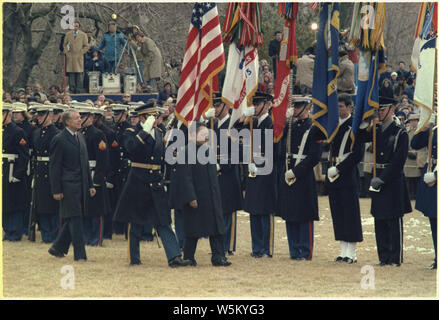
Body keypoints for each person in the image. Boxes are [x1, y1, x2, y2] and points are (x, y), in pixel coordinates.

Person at [113, 101, 191, 267]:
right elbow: (131, 148)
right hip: (138, 182)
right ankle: (134, 258)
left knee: (163, 221)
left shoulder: (159, 132)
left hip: (155, 182)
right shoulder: (132, 132)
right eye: (151, 116)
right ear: (142, 117)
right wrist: (144, 132)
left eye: (156, 116)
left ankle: (174, 256)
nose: (155, 119)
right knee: (135, 222)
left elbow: (164, 159)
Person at [357, 96, 412, 267]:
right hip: (377, 176)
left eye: (382, 109)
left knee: (393, 218)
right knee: (379, 218)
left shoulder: (399, 132)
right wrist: (366, 120)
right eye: (377, 109)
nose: (379, 112)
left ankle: (394, 257)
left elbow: (398, 160)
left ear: (392, 109)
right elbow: (359, 137)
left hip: (392, 180)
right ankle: (383, 256)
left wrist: (382, 178)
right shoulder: (376, 130)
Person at [170, 121, 231, 267]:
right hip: (196, 197)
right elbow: (185, 178)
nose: (206, 137)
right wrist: (190, 197)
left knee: (216, 228)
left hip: (211, 196)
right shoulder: (185, 151)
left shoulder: (208, 150)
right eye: (202, 134)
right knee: (193, 229)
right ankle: (189, 257)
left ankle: (218, 256)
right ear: (193, 135)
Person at [275, 96, 322, 261]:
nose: (295, 109)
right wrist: (283, 121)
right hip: (288, 172)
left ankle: (305, 250)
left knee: (304, 213)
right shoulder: (290, 127)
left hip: (303, 175)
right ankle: (294, 249)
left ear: (307, 107)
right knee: (290, 212)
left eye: (298, 106)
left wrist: (297, 172)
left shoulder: (314, 128)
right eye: (294, 106)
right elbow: (279, 143)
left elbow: (315, 155)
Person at [48, 109, 96, 261]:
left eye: (80, 117)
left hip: (81, 184)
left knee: (73, 217)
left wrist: (90, 185)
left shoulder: (80, 137)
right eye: (76, 118)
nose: (80, 120)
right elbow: (55, 167)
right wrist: (56, 190)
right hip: (67, 186)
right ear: (67, 122)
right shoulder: (59, 139)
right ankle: (80, 256)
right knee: (75, 219)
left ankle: (57, 247)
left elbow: (84, 164)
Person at [325, 95, 364, 263]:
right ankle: (343, 251)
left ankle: (352, 253)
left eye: (341, 106)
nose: (339, 109)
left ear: (350, 107)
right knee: (338, 213)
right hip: (333, 175)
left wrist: (339, 169)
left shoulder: (355, 126)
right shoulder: (333, 125)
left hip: (347, 176)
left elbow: (357, 155)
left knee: (350, 214)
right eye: (337, 106)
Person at [238, 92, 276, 258]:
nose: (255, 107)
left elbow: (274, 150)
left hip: (266, 172)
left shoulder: (270, 123)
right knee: (254, 210)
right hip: (252, 171)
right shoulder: (252, 123)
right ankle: (256, 247)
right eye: (254, 104)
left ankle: (266, 248)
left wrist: (259, 162)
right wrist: (241, 119)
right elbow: (234, 134)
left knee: (265, 210)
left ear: (267, 105)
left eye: (258, 104)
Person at [203, 93, 243, 255]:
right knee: (216, 211)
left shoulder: (233, 125)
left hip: (227, 173)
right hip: (212, 173)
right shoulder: (211, 125)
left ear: (226, 107)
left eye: (218, 106)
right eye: (214, 106)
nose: (215, 109)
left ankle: (228, 245)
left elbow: (239, 152)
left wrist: (222, 165)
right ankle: (218, 245)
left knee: (228, 210)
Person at [79, 106, 111, 247]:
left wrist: (98, 178)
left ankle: (96, 238)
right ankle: (85, 237)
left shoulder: (98, 134)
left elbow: (103, 159)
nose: (80, 119)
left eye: (83, 116)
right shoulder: (79, 133)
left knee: (96, 208)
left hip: (94, 173)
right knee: (85, 207)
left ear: (91, 118)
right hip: (83, 173)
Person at [31, 105, 60, 243]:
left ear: (50, 116)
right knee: (41, 203)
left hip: (51, 170)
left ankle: (53, 234)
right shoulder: (37, 132)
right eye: (39, 115)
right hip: (40, 170)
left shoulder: (56, 133)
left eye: (42, 115)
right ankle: (45, 233)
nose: (39, 117)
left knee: (52, 204)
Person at [411, 115, 437, 270]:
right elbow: (415, 144)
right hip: (431, 176)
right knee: (434, 219)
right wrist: (425, 126)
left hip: (435, 175)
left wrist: (436, 175)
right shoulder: (433, 130)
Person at [2, 103, 30, 241]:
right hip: (4, 168)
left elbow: (24, 155)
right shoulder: (3, 130)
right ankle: (7, 230)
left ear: (9, 114)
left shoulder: (17, 131)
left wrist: (18, 173)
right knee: (5, 202)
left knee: (14, 202)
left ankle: (15, 231)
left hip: (12, 170)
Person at [63, 21, 90, 94]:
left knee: (79, 74)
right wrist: (67, 53)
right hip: (71, 57)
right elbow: (64, 45)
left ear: (79, 27)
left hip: (79, 57)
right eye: (74, 26)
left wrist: (81, 52)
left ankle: (79, 90)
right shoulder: (68, 34)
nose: (75, 27)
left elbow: (87, 46)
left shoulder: (83, 35)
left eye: (76, 26)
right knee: (71, 74)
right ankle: (72, 89)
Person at [404, 113, 422, 200]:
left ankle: (416, 195)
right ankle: (409, 195)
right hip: (408, 158)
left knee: (416, 179)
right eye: (411, 121)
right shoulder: (407, 131)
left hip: (417, 158)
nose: (413, 123)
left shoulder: (421, 131)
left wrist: (415, 153)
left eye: (415, 120)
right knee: (408, 179)